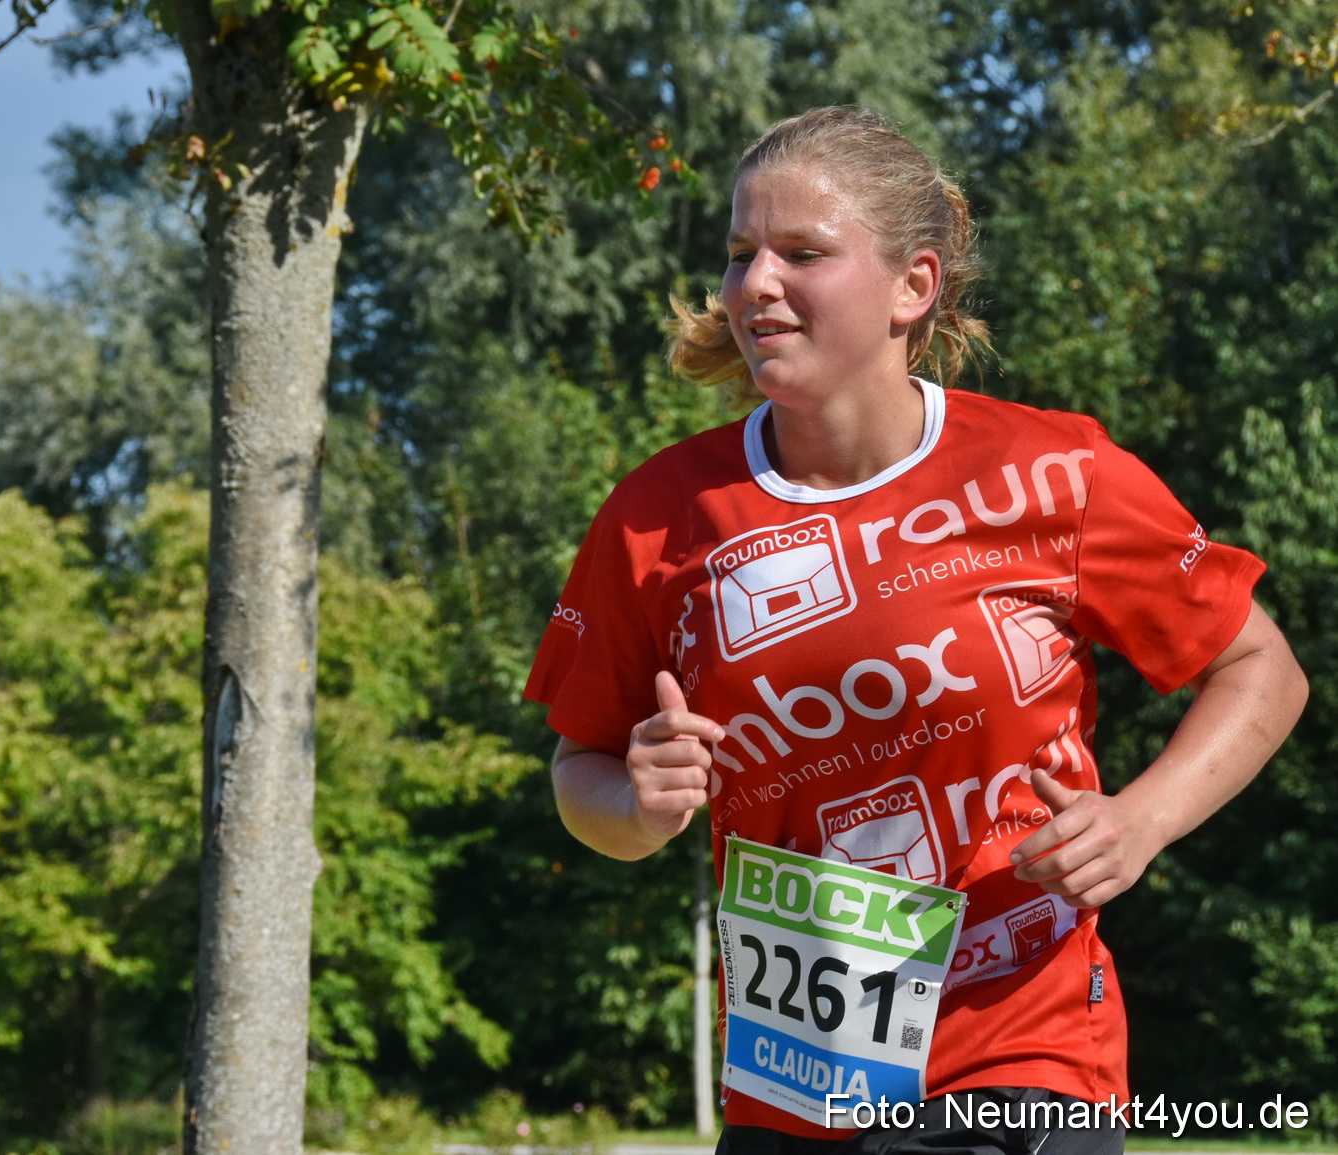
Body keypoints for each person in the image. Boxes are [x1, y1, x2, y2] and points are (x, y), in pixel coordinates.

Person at [523, 107, 1306, 1155]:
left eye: (801, 253)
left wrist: (1144, 820)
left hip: (1021, 1058)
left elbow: (1261, 667)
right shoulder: (658, 514)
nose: (755, 284)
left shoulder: (1049, 473)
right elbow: (582, 776)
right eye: (739, 254)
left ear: (913, 287)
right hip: (795, 1083)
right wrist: (638, 800)